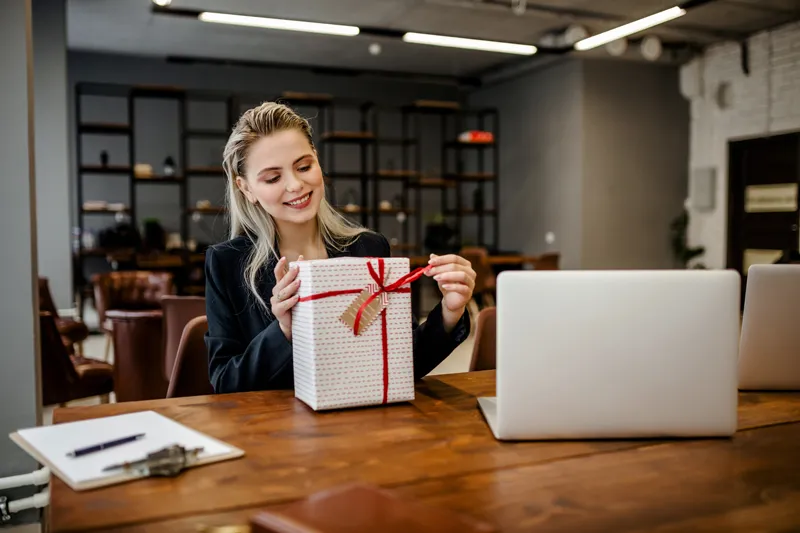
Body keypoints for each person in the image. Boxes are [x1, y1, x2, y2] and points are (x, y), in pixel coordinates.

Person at [204, 102, 476, 394]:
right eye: (273, 178)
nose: (295, 184)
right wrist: (283, 331)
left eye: (304, 166)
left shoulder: (367, 249)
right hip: (276, 433)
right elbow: (226, 384)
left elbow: (402, 363)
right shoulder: (228, 264)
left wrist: (450, 311)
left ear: (318, 162)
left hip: (365, 423)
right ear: (245, 188)